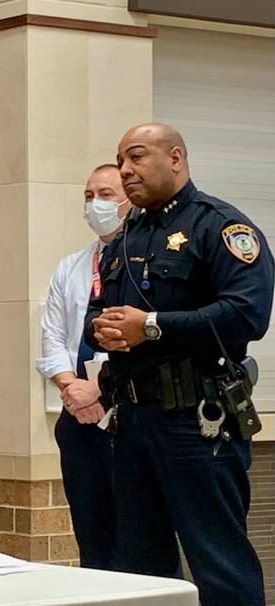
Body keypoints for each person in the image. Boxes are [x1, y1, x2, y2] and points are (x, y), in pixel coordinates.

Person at [85, 123, 272, 606]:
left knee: (219, 564)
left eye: (137, 157)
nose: (125, 170)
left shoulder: (220, 226)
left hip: (197, 421)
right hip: (131, 424)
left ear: (175, 158)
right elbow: (96, 311)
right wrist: (100, 330)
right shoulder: (124, 238)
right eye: (121, 160)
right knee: (141, 573)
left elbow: (246, 315)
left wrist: (151, 326)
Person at [36, 164, 129, 570]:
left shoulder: (142, 259)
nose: (96, 204)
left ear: (129, 199)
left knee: (136, 537)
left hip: (127, 413)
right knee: (91, 535)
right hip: (78, 415)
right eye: (89, 196)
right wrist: (70, 387)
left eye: (105, 195)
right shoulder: (71, 266)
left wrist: (100, 390)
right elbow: (53, 335)